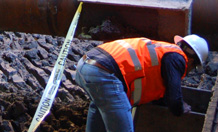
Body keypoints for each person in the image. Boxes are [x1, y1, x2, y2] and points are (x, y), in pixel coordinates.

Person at [74, 34, 209, 132]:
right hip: (103, 74)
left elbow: (162, 90)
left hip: (84, 65)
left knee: (99, 108)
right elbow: (174, 100)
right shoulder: (178, 59)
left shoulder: (164, 50)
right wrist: (181, 108)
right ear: (192, 61)